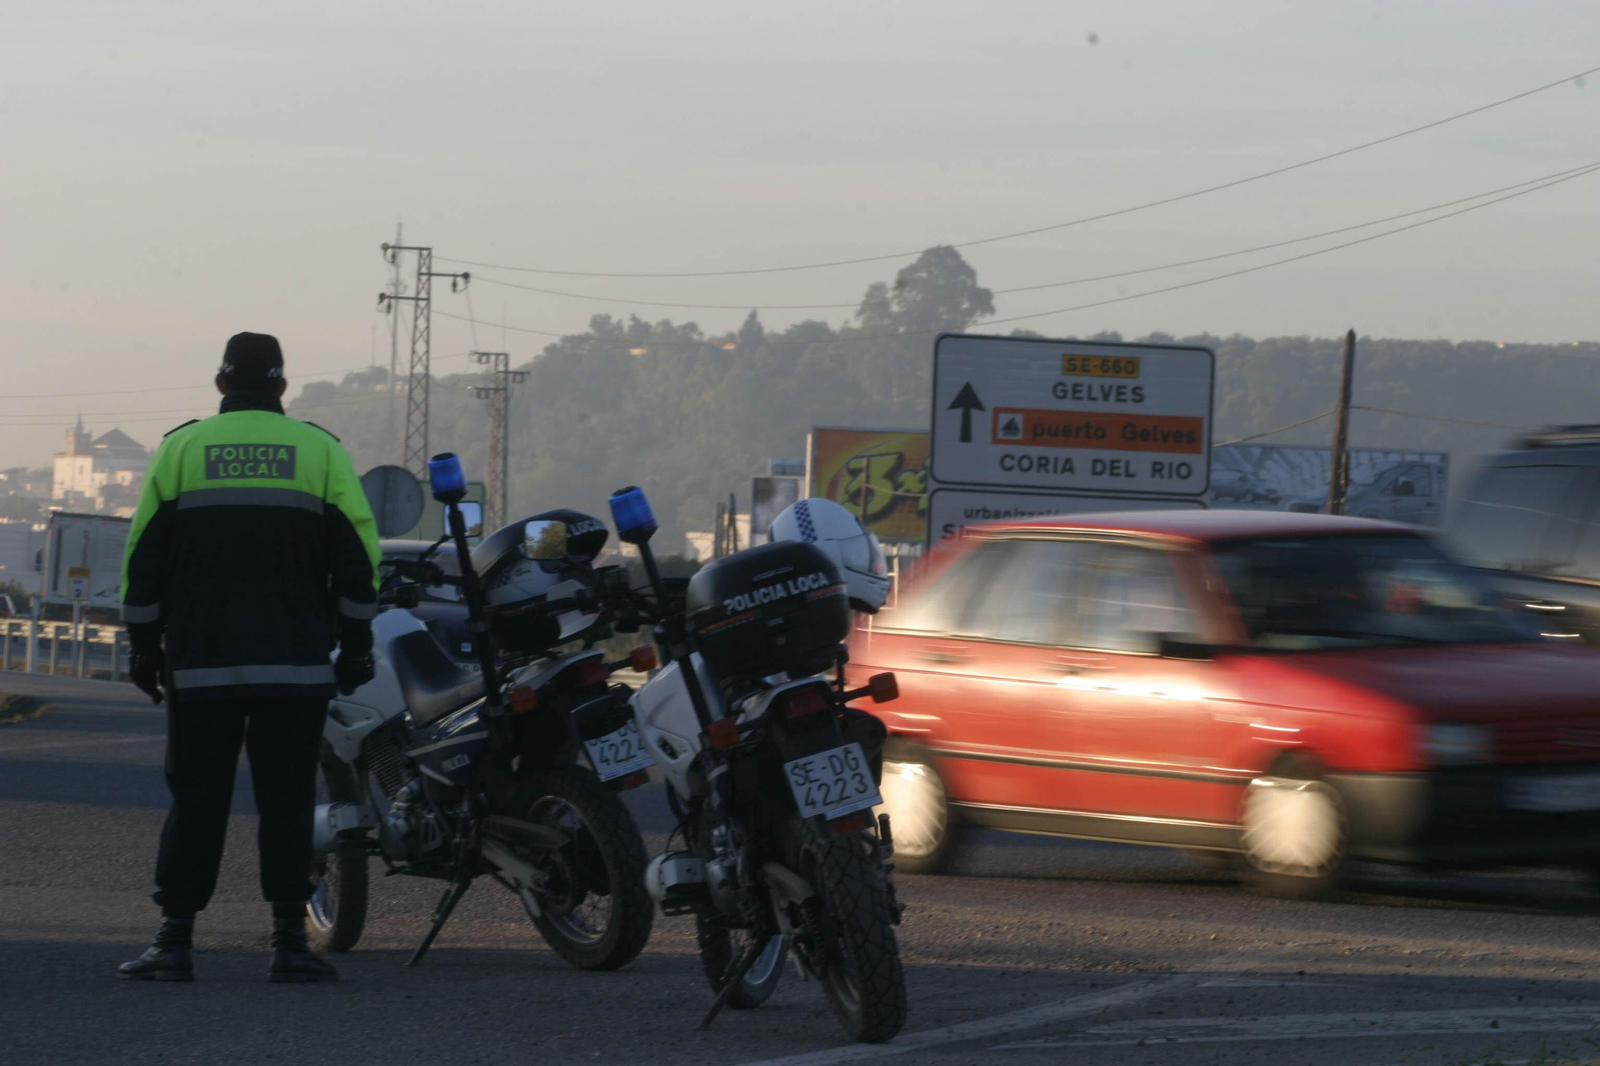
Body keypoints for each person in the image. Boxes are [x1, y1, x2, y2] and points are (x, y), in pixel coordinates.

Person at [117, 332, 380, 983]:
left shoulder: (182, 449)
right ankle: (290, 944)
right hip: (294, 668)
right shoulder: (320, 451)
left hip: (202, 663)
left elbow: (143, 560)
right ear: (282, 387)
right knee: (287, 802)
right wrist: (357, 646)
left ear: (221, 385)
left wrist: (144, 647)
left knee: (198, 799)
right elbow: (358, 558)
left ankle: (174, 942)